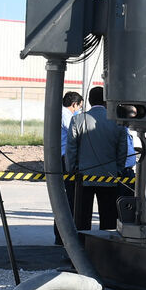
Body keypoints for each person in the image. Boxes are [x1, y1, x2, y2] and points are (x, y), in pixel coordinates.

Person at [67, 86, 128, 231]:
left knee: (82, 217)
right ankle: (106, 248)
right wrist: (118, 169)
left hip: (84, 175)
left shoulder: (78, 120)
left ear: (88, 100)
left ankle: (82, 246)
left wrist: (71, 169)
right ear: (107, 101)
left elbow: (71, 149)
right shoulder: (117, 122)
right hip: (109, 175)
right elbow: (122, 150)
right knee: (108, 216)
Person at [54, 91, 83, 244]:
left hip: (59, 157)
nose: (79, 110)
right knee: (68, 198)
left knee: (62, 197)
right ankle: (63, 236)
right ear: (74, 104)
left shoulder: (58, 113)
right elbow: (75, 134)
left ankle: (60, 236)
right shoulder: (68, 116)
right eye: (79, 107)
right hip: (65, 159)